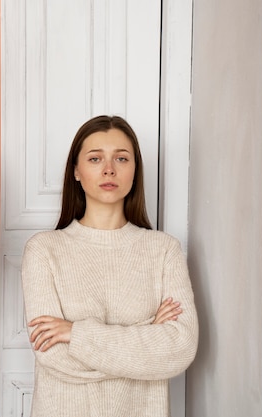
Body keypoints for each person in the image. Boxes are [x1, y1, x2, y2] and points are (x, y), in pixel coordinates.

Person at [21, 115, 198, 417]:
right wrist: (147, 332)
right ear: (76, 171)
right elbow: (54, 355)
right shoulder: (44, 249)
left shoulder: (164, 250)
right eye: (94, 158)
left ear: (134, 170)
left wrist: (76, 334)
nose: (109, 169)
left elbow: (180, 349)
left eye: (121, 158)